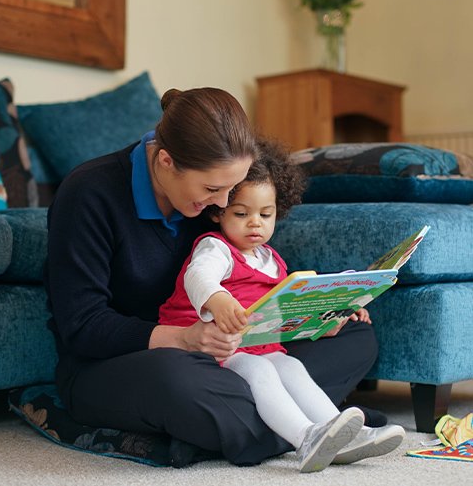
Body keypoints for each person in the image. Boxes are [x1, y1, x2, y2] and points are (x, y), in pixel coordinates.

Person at [45, 86, 382, 469]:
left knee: (357, 336)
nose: (222, 205)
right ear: (167, 161)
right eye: (212, 190)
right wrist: (182, 339)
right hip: (120, 363)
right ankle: (306, 425)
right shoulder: (89, 193)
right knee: (178, 380)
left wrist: (312, 319)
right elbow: (82, 326)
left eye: (229, 192)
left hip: (228, 355)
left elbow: (251, 286)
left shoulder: (210, 200)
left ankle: (273, 427)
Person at [159, 139, 405, 472]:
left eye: (266, 213)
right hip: (212, 346)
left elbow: (284, 314)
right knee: (262, 372)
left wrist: (326, 320)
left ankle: (344, 433)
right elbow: (198, 277)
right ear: (219, 212)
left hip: (257, 344)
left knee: (291, 368)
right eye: (241, 213)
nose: (255, 223)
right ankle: (305, 439)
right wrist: (217, 299)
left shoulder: (272, 261)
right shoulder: (214, 248)